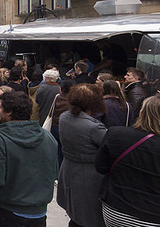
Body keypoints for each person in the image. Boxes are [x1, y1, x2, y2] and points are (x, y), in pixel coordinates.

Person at [95, 94, 160, 227]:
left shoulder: (116, 134)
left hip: (116, 209)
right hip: (155, 216)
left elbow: (101, 167)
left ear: (142, 113)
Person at [0, 91, 58, 226]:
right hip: (39, 211)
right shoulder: (47, 137)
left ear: (10, 112)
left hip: (11, 209)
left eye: (1, 107)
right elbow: (53, 173)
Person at [56, 84, 107, 227]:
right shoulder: (93, 127)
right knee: (89, 214)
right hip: (89, 174)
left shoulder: (64, 117)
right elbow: (109, 146)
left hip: (69, 168)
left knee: (75, 211)